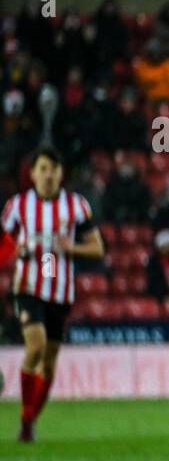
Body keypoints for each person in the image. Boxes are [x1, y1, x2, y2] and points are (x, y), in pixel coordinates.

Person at [2, 146, 105, 442]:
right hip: (28, 287)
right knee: (35, 346)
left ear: (62, 174)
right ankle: (25, 414)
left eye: (54, 169)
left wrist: (70, 246)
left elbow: (97, 247)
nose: (48, 175)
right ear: (32, 174)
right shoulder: (17, 206)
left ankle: (30, 420)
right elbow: (3, 245)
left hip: (60, 292)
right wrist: (15, 250)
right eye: (43, 169)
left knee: (48, 362)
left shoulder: (76, 206)